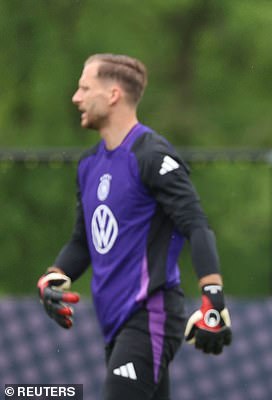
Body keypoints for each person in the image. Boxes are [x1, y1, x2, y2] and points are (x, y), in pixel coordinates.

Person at [36, 53, 232, 400]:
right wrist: (54, 276)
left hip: (150, 317)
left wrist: (213, 297)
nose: (75, 98)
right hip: (114, 325)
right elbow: (83, 243)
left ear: (113, 95)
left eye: (84, 88)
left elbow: (196, 225)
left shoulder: (152, 155)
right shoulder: (88, 165)